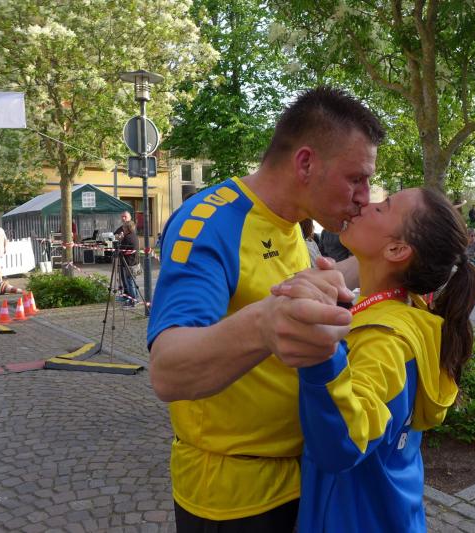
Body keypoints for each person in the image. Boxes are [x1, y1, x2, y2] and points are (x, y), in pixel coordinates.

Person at [147, 87, 385, 531]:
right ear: (306, 163)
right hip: (234, 499)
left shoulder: (293, 221)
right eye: (356, 178)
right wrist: (264, 325)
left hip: (304, 479)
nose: (364, 197)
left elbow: (295, 292)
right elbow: (167, 371)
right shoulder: (210, 223)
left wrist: (387, 261)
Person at [279, 187, 475, 532]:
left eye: (382, 207)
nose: (364, 203)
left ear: (397, 250)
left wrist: (321, 352)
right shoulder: (406, 313)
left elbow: (341, 444)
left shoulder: (383, 341)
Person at [118, 220, 140, 307]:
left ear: (127, 228)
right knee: (133, 281)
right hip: (134, 261)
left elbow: (121, 249)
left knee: (130, 282)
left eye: (124, 227)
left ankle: (133, 300)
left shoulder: (127, 237)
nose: (123, 229)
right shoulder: (134, 235)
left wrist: (121, 239)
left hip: (129, 262)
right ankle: (136, 298)